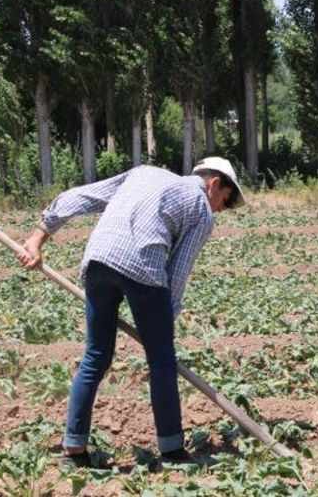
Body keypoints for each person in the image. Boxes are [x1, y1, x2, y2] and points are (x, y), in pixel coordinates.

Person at [16, 157, 245, 468]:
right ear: (214, 183)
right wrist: (165, 318)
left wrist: (36, 237)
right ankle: (173, 452)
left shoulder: (144, 173)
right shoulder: (200, 207)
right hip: (143, 268)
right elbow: (178, 272)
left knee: (96, 355)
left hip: (98, 260)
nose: (219, 208)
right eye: (224, 200)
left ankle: (74, 451)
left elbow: (81, 197)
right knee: (162, 360)